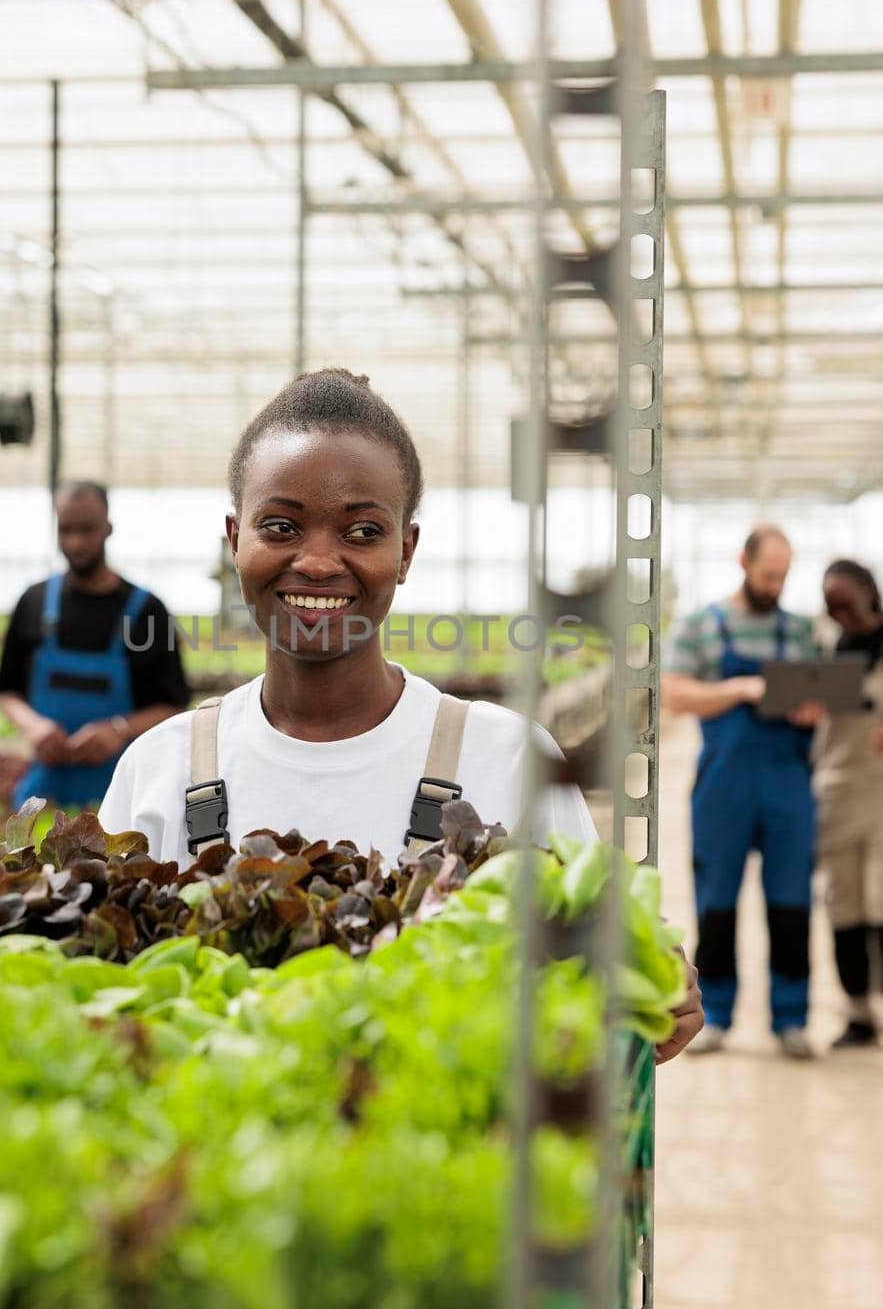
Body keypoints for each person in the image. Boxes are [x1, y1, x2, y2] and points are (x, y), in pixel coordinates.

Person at [101, 368, 703, 1064]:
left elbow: (583, 989)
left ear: (405, 551)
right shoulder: (163, 766)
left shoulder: (505, 758)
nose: (319, 561)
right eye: (280, 526)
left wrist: (642, 994)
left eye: (361, 530)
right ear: (235, 540)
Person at [661, 526, 820, 1058]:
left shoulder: (799, 632)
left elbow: (820, 693)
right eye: (768, 575)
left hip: (788, 782)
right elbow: (675, 692)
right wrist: (739, 688)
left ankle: (792, 1019)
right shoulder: (703, 627)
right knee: (718, 901)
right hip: (724, 785)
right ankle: (720, 1016)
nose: (776, 585)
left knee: (792, 903)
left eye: (784, 576)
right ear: (743, 562)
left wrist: (809, 706)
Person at [0, 480, 190, 810]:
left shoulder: (146, 611)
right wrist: (34, 726)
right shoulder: (33, 601)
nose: (76, 542)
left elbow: (174, 706)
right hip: (43, 795)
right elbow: (7, 690)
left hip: (124, 799)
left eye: (87, 530)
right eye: (66, 530)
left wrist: (118, 730)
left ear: (108, 528)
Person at [813, 559, 883, 1048]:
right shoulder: (824, 647)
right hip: (837, 791)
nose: (839, 613)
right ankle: (857, 1012)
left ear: (868, 592)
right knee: (844, 907)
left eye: (845, 602)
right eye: (830, 604)